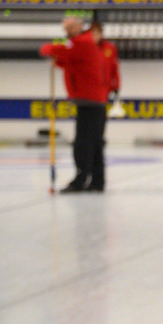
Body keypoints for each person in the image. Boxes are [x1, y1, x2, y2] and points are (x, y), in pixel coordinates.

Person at [39, 15, 111, 192]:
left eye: (70, 28)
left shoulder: (81, 42)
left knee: (82, 144)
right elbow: (72, 63)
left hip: (89, 101)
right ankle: (97, 182)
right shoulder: (83, 44)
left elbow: (51, 49)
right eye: (65, 29)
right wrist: (59, 62)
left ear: (79, 26)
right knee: (94, 143)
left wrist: (50, 51)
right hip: (95, 101)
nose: (67, 32)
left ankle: (80, 181)